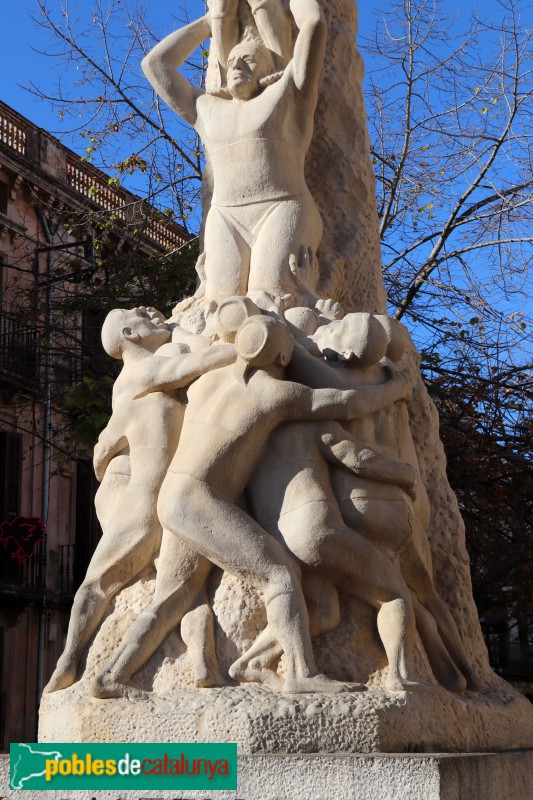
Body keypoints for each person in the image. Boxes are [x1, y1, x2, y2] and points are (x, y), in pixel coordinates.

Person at [92, 315, 412, 697]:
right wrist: (397, 389)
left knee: (172, 598)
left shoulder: (206, 382)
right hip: (201, 501)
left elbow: (166, 374)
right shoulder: (275, 395)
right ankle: (300, 671)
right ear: (280, 356)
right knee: (279, 575)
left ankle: (110, 677)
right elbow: (347, 402)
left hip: (172, 499)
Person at [44, 307, 235, 693]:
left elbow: (102, 450)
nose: (153, 316)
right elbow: (214, 358)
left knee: (117, 585)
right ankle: (76, 664)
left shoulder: (125, 391)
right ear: (130, 334)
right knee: (170, 589)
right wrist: (253, 340)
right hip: (157, 506)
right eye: (139, 315)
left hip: (149, 505)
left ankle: (70, 662)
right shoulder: (143, 373)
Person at [288, 312, 480, 691]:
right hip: (402, 511)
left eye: (337, 327)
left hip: (360, 505)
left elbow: (281, 346)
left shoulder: (333, 380)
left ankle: (405, 672)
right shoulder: (394, 386)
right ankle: (469, 675)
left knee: (387, 593)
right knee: (427, 595)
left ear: (343, 350)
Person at [141, 0, 326, 312]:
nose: (239, 65)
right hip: (226, 215)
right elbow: (155, 64)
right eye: (234, 60)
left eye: (250, 60)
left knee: (270, 300)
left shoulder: (288, 93)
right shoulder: (207, 110)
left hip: (282, 206)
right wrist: (210, 21)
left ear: (270, 70)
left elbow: (314, 24)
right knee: (219, 306)